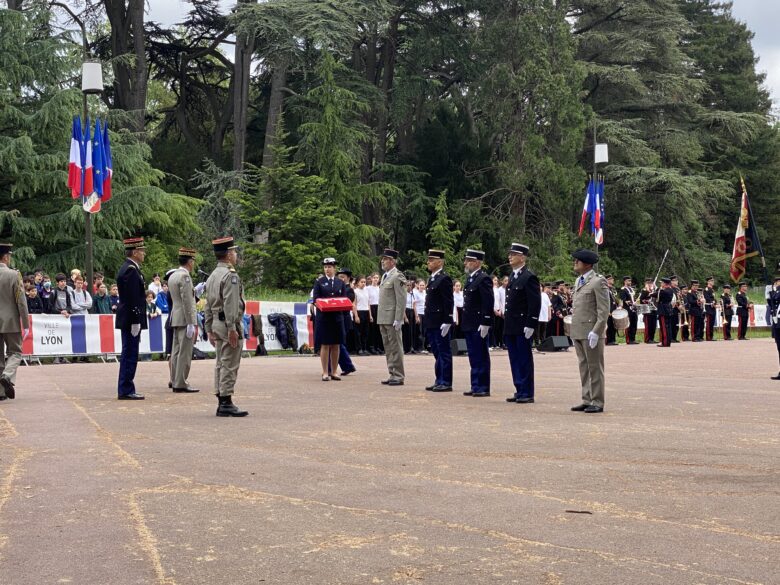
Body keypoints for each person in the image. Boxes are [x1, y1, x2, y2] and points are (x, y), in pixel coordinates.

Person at [204, 237, 248, 416]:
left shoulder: (213, 275)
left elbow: (207, 304)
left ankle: (221, 397)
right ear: (229, 255)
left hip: (216, 322)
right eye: (234, 252)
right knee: (229, 363)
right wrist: (232, 328)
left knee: (221, 363)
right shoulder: (230, 276)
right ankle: (226, 401)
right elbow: (231, 304)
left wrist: (208, 327)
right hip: (227, 323)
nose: (236, 255)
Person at [570, 249, 609, 413]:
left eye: (577, 261)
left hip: (591, 331)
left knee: (595, 367)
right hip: (579, 330)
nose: (575, 263)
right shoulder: (579, 281)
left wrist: (597, 331)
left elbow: (603, 310)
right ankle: (587, 398)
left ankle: (597, 401)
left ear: (587, 264)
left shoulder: (598, 281)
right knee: (584, 366)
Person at [503, 243, 540, 404]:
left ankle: (527, 391)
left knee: (524, 358)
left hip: (523, 324)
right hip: (511, 324)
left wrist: (531, 323)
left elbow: (534, 303)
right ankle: (519, 388)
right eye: (510, 254)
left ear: (523, 257)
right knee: (514, 359)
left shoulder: (529, 277)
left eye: (514, 254)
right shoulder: (512, 276)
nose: (510, 256)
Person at [115, 237, 147, 400]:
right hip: (130, 318)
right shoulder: (130, 270)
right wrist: (136, 320)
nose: (144, 253)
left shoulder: (130, 268)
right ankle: (126, 388)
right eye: (142, 251)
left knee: (129, 352)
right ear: (134, 252)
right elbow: (133, 297)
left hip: (129, 317)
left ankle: (126, 387)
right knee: (130, 353)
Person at [461, 249, 493, 397]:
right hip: (469, 322)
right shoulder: (470, 279)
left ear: (477, 262)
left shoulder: (484, 278)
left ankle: (483, 386)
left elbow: (487, 301)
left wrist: (486, 321)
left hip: (479, 323)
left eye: (469, 260)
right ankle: (475, 385)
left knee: (481, 355)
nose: (465, 263)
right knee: (473, 356)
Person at [168, 247, 199, 393]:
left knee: (176, 351)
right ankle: (181, 382)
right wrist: (191, 322)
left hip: (176, 316)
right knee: (185, 352)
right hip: (185, 318)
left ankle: (175, 379)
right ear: (190, 261)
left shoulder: (174, 275)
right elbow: (188, 301)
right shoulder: (185, 277)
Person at [0, 243, 29, 401]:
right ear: (5, 257)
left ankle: (0, 392)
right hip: (10, 320)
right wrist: (26, 323)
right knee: (15, 352)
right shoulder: (13, 275)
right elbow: (21, 301)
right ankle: (7, 376)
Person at [422, 250, 453, 392]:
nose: (428, 262)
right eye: (428, 260)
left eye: (432, 260)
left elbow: (448, 301)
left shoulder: (444, 278)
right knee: (436, 351)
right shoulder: (432, 278)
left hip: (440, 321)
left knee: (443, 352)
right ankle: (438, 379)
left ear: (440, 262)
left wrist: (448, 320)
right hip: (431, 320)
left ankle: (445, 381)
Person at [312, 258, 347, 381]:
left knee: (336, 344)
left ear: (334, 268)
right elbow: (315, 299)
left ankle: (334, 371)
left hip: (337, 318)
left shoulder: (340, 282)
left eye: (329, 267)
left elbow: (344, 298)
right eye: (325, 267)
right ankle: (325, 372)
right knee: (325, 345)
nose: (327, 269)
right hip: (324, 318)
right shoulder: (319, 282)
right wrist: (324, 304)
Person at [377, 248, 407, 386]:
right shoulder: (385, 276)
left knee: (395, 347)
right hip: (383, 317)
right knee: (388, 348)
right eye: (383, 259)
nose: (383, 261)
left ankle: (399, 375)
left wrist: (399, 318)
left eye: (385, 259)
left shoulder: (398, 276)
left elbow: (401, 299)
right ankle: (392, 373)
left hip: (392, 318)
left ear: (392, 261)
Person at [336, 267, 357, 376]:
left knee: (339, 343)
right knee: (338, 343)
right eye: (339, 277)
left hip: (344, 319)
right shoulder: (339, 289)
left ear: (348, 278)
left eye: (342, 277)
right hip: (338, 319)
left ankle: (348, 366)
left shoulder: (349, 290)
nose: (340, 279)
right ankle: (347, 366)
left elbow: (346, 305)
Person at [366, 273, 383, 355]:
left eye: (377, 278)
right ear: (371, 279)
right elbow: (368, 301)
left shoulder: (380, 288)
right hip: (371, 308)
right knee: (372, 329)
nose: (376, 279)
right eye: (374, 278)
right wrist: (370, 314)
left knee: (378, 329)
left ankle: (378, 347)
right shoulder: (368, 288)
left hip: (379, 308)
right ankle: (371, 347)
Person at [353, 276, 370, 355]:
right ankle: (359, 349)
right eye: (361, 282)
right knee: (358, 332)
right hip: (359, 312)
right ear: (357, 283)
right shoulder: (355, 291)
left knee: (365, 332)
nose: (363, 284)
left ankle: (364, 348)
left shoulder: (366, 291)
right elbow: (354, 304)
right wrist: (356, 316)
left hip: (366, 311)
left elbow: (368, 304)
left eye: (364, 282)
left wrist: (370, 315)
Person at [655, 277, 674, 347]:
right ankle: (667, 341)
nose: (661, 284)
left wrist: (653, 290)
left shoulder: (664, 291)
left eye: (662, 283)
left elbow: (656, 294)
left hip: (663, 310)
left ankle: (665, 342)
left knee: (664, 327)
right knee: (667, 327)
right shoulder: (670, 290)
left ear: (665, 284)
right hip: (667, 309)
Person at [768, 275, 780, 380]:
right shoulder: (775, 291)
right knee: (779, 347)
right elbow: (771, 304)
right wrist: (769, 294)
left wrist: (774, 293)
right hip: (777, 321)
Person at [620, 276, 638, 344]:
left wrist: (635, 302)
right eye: (628, 281)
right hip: (627, 309)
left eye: (630, 281)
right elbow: (623, 300)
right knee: (629, 324)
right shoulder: (623, 289)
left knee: (634, 324)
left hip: (634, 308)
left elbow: (634, 298)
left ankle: (633, 338)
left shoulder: (632, 289)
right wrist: (629, 302)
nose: (629, 282)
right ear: (625, 281)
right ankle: (629, 339)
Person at [638, 278, 657, 344]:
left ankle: (652, 338)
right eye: (648, 283)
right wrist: (648, 293)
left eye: (651, 282)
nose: (650, 284)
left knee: (653, 325)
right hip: (647, 310)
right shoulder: (644, 290)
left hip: (654, 309)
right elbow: (641, 300)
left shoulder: (654, 290)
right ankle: (647, 339)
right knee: (648, 325)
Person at [535, 283, 551, 347]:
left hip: (544, 316)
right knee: (537, 331)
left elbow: (549, 305)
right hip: (538, 316)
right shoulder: (535, 294)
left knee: (543, 331)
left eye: (541, 286)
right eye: (538, 286)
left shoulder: (545, 295)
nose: (540, 287)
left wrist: (549, 314)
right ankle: (537, 343)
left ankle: (543, 342)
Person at [605, 275, 618, 345]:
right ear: (607, 280)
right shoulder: (605, 289)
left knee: (613, 326)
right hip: (609, 311)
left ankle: (613, 339)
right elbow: (605, 301)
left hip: (614, 310)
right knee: (609, 326)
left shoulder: (612, 289)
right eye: (610, 279)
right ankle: (609, 340)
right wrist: (608, 311)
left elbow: (614, 300)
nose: (612, 280)